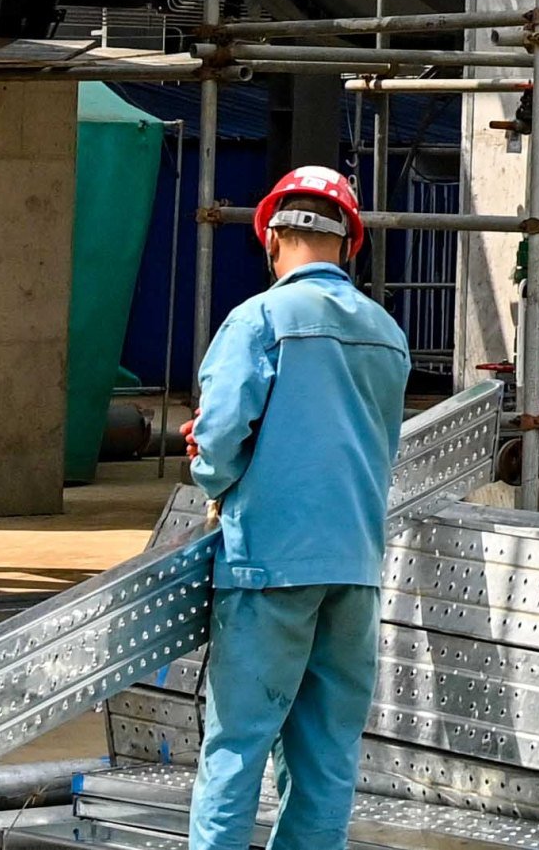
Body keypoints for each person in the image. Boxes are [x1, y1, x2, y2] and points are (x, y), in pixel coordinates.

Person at [186, 165, 411, 850]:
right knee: (326, 752)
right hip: (355, 567)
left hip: (268, 567)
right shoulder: (386, 332)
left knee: (237, 745)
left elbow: (221, 435)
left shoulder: (257, 318)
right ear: (349, 243)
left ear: (272, 235)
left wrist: (211, 477)